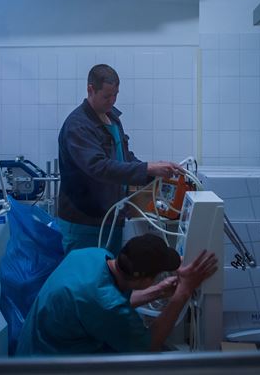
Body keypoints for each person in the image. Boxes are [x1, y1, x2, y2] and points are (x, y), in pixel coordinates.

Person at [15, 234, 218, 356]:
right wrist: (183, 291)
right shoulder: (106, 304)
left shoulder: (92, 255)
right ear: (144, 278)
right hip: (47, 363)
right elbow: (149, 346)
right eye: (157, 276)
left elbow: (100, 304)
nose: (158, 279)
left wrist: (157, 291)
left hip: (34, 345)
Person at [57, 64, 184, 254]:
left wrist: (156, 170)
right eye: (106, 96)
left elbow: (123, 157)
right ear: (90, 89)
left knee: (109, 276)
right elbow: (98, 167)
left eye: (115, 95)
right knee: (87, 279)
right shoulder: (78, 126)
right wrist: (147, 169)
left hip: (112, 216)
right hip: (84, 223)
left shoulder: (112, 119)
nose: (112, 101)